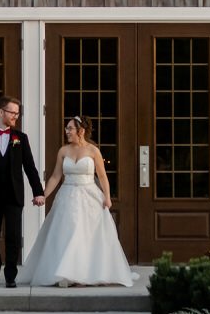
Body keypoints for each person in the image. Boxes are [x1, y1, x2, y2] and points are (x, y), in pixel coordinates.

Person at [15, 116, 136, 287]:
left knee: (86, 236)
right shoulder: (63, 151)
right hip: (68, 196)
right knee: (69, 233)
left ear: (81, 131)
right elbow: (56, 176)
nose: (67, 131)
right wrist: (43, 195)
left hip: (90, 196)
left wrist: (107, 197)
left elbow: (102, 176)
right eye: (66, 128)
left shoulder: (93, 151)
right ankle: (67, 273)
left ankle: (86, 274)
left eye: (70, 128)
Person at [0, 95, 45, 287]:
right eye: (12, 112)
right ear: (1, 112)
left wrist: (38, 192)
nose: (15, 116)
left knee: (13, 236)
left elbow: (30, 167)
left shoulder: (21, 138)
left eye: (17, 113)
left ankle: (11, 276)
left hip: (14, 195)